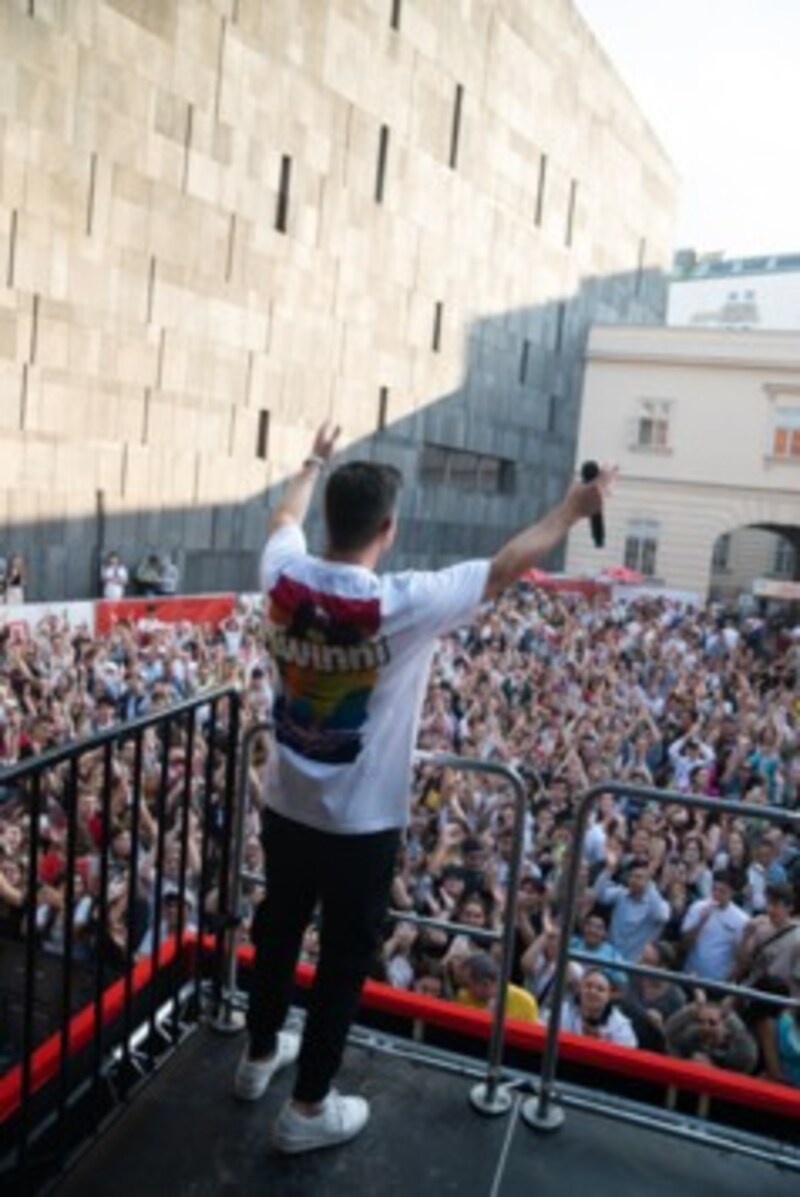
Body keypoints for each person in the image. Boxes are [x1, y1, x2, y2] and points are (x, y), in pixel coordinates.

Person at [234, 420, 611, 1154]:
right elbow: (504, 568)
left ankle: (256, 1059)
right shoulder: (401, 601)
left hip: (284, 804)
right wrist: (573, 510)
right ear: (389, 528)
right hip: (363, 826)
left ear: (331, 522)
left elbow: (283, 517)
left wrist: (312, 459)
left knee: (276, 931)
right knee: (342, 962)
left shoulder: (282, 574)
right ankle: (306, 1107)